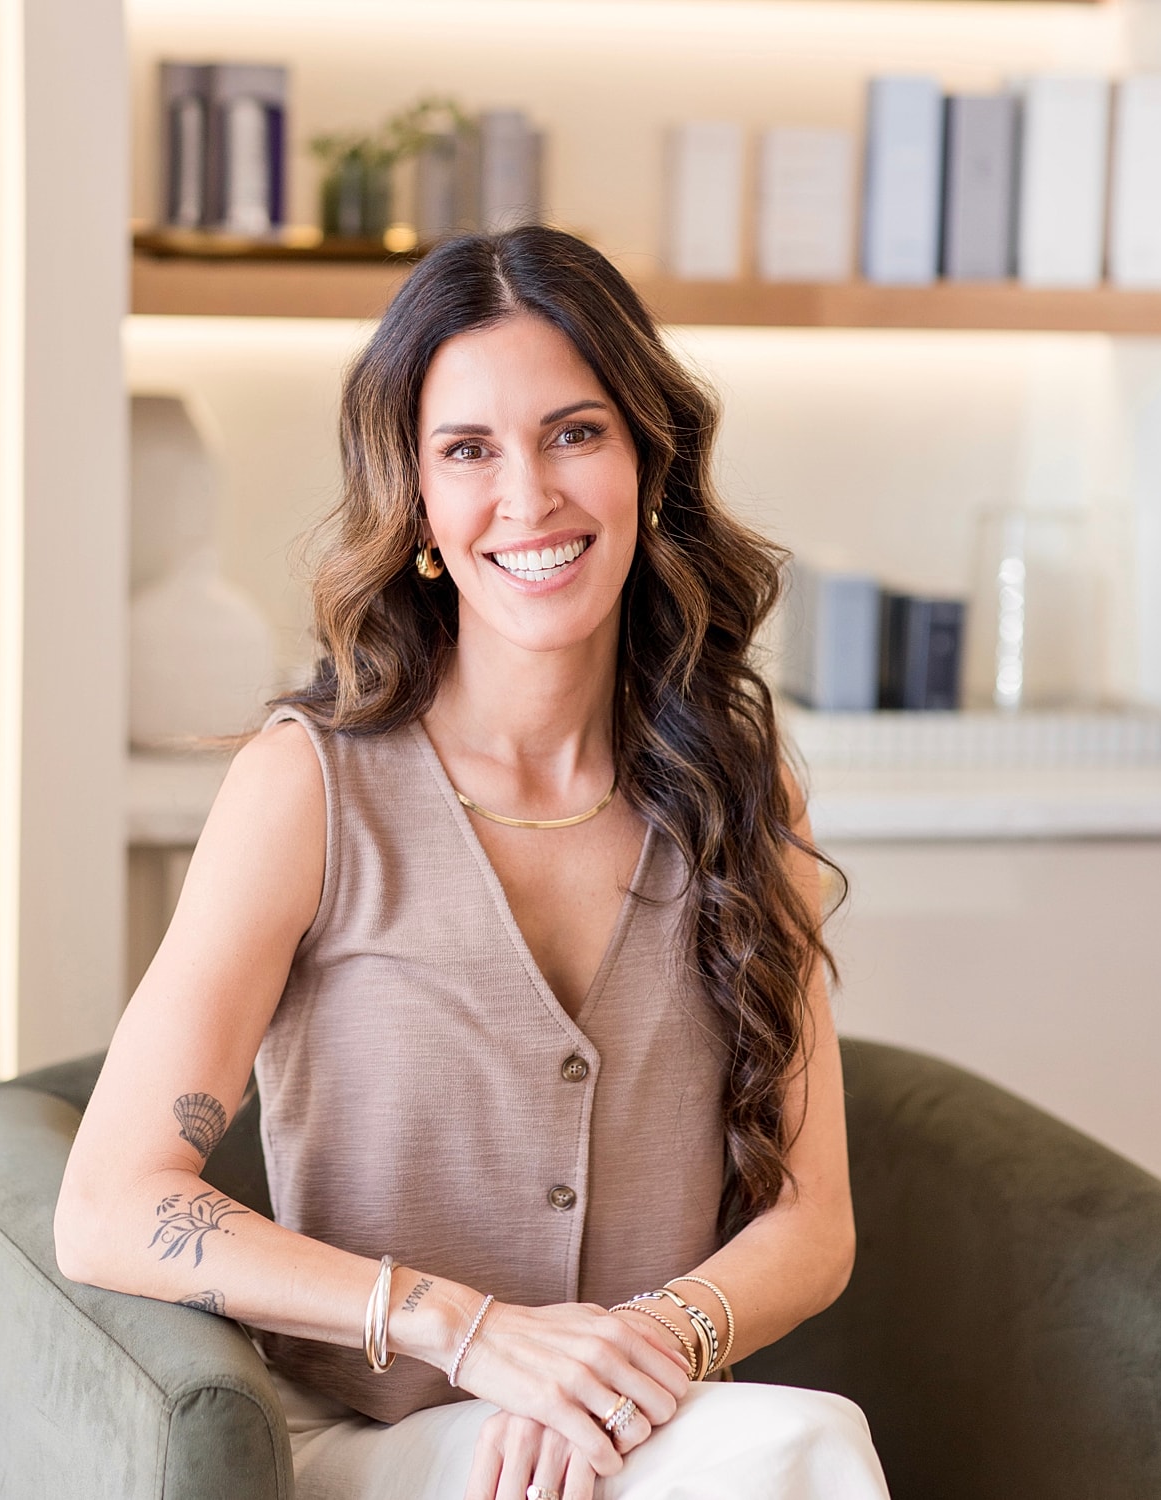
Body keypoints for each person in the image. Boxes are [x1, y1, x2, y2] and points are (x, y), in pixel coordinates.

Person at [55, 225, 890, 1500]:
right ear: (422, 507)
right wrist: (481, 1335)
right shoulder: (309, 788)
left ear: (646, 462)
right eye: (469, 451)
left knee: (778, 1450)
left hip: (650, 1438)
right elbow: (107, 1203)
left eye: (574, 432)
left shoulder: (742, 787)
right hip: (372, 1443)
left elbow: (811, 1222)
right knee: (803, 1450)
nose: (529, 497)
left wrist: (625, 1364)